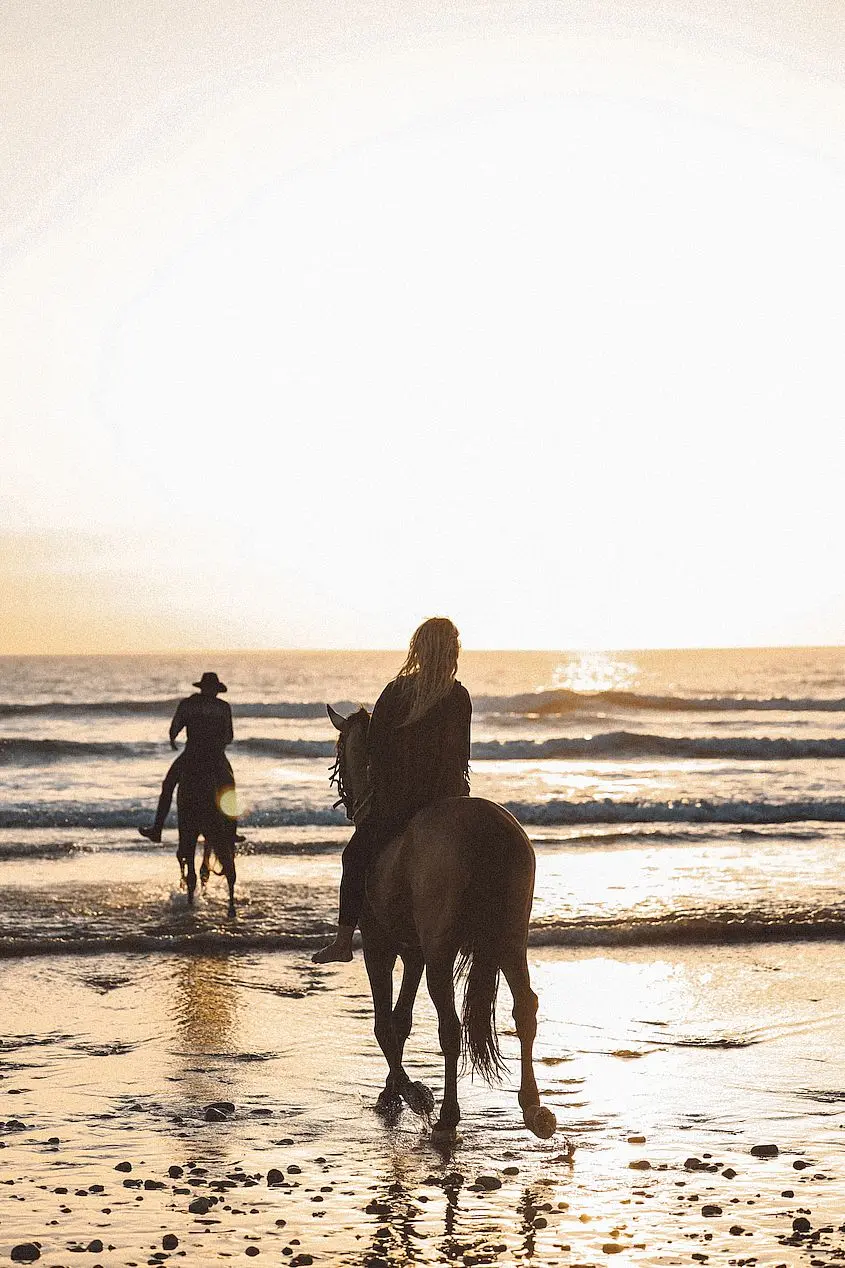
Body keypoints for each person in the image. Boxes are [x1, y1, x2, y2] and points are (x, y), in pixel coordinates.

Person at [313, 616, 472, 964]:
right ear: (451, 652)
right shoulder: (459, 696)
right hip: (451, 804)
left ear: (419, 649)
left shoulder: (396, 692)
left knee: (353, 857)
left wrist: (388, 795)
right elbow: (462, 757)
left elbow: (377, 754)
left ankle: (342, 942)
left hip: (403, 807)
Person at [139, 671, 235, 842]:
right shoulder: (223, 707)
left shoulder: (189, 704)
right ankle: (231, 830)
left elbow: (175, 727)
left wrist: (173, 739)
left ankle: (157, 829)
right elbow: (229, 736)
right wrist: (218, 744)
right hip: (214, 755)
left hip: (192, 753)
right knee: (229, 786)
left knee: (169, 784)